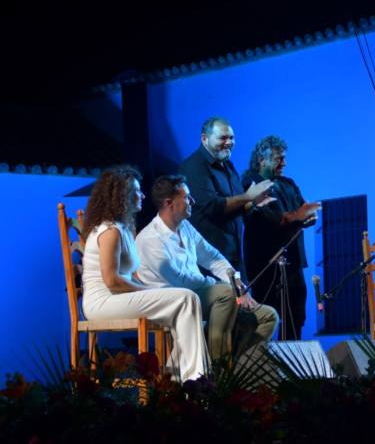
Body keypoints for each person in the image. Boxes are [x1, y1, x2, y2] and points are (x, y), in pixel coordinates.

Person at [81, 165, 208, 382]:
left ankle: (178, 379)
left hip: (118, 298)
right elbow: (111, 281)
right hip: (103, 302)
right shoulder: (110, 230)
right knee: (186, 299)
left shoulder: (123, 228)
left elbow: (129, 276)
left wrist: (153, 289)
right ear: (121, 196)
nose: (142, 195)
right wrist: (147, 290)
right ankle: (193, 381)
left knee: (184, 302)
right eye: (136, 192)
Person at [135, 175, 279, 360]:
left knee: (268, 316)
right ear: (169, 203)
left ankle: (238, 370)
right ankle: (218, 371)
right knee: (225, 294)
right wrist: (218, 284)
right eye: (187, 197)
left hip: (199, 296)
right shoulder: (150, 239)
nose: (192, 201)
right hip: (174, 301)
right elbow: (181, 280)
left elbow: (213, 257)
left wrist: (237, 284)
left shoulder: (185, 226)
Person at [242, 135, 319, 340]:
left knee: (296, 316)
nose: (283, 163)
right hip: (265, 265)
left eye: (283, 158)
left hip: (292, 262)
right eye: (278, 158)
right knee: (265, 318)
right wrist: (298, 217)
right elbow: (273, 219)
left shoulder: (288, 183)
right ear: (262, 160)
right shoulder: (250, 184)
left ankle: (290, 366)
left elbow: (303, 209)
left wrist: (307, 216)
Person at [179, 116, 273, 275]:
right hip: (210, 266)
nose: (229, 142)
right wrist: (248, 197)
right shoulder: (193, 166)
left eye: (232, 138)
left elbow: (235, 208)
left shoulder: (229, 167)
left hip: (235, 260)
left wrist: (253, 203)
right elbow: (211, 207)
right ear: (204, 138)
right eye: (223, 138)